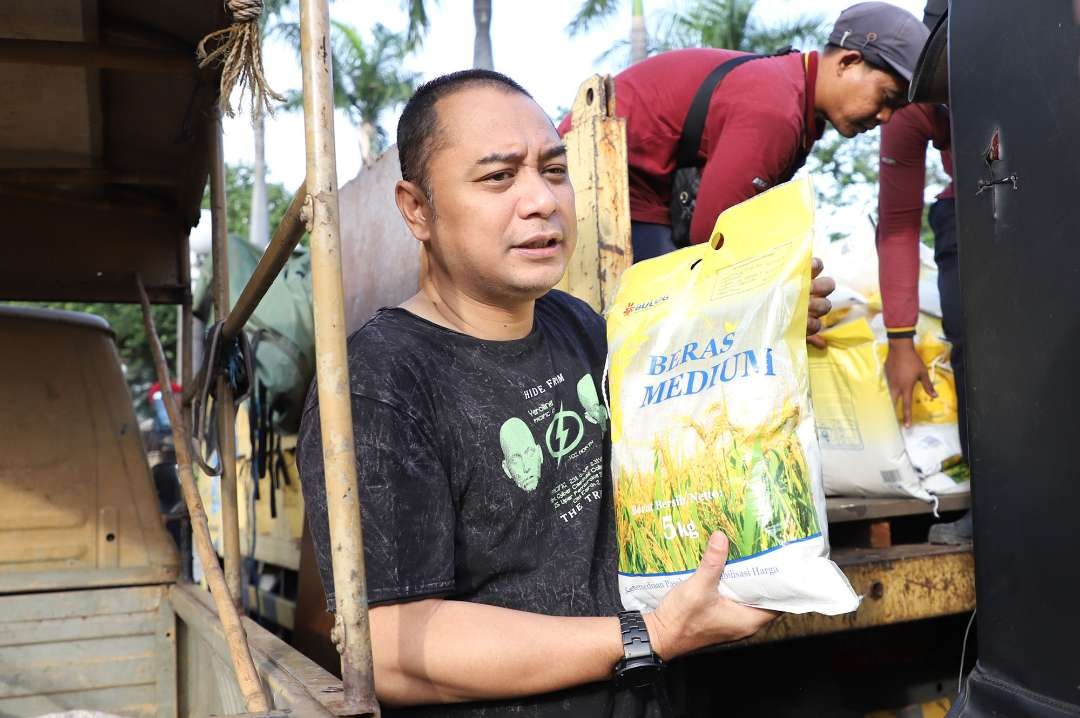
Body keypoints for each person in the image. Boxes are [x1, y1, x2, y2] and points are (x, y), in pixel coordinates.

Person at [298, 69, 833, 716]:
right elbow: (386, 646)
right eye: (499, 177)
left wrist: (756, 325)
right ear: (417, 209)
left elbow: (674, 414)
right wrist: (652, 635)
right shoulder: (381, 383)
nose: (541, 201)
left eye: (554, 171)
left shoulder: (576, 325)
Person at [558, 1, 929, 261]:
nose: (885, 117)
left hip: (642, 197)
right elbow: (712, 240)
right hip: (596, 187)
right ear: (848, 62)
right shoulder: (777, 108)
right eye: (887, 97)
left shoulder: (792, 91)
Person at [876, 0, 970, 544]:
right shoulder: (915, 101)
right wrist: (901, 340)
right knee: (979, 356)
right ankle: (996, 500)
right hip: (974, 212)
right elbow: (898, 223)